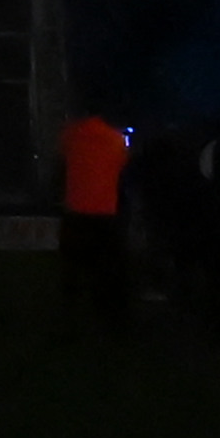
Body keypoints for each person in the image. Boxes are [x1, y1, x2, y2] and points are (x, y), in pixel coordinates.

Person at [57, 104, 132, 330]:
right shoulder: (115, 139)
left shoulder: (70, 135)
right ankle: (109, 316)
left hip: (76, 212)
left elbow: (62, 157)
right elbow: (121, 169)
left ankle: (70, 315)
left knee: (74, 269)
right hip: (105, 213)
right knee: (107, 268)